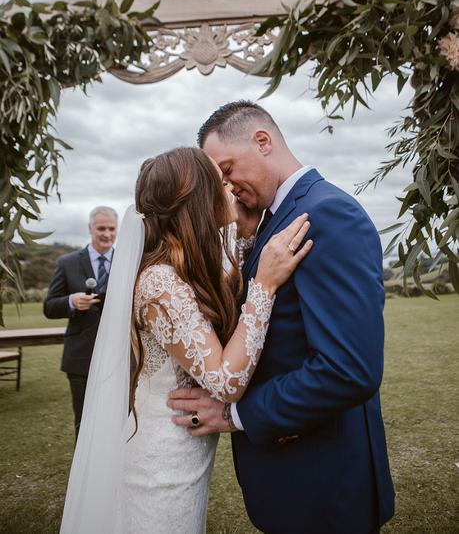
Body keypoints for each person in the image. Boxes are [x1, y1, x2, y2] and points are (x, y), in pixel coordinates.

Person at [167, 101, 395, 534]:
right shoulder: (272, 220)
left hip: (323, 481)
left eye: (228, 168)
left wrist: (235, 415)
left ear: (263, 141)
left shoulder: (327, 214)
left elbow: (347, 370)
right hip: (293, 477)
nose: (226, 187)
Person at [59, 147, 312, 534]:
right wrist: (265, 283)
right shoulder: (159, 284)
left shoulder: (184, 268)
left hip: (185, 448)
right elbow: (226, 381)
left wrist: (245, 241)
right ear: (199, 201)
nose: (229, 187)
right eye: (219, 181)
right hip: (162, 462)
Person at [44, 206, 118, 438]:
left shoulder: (128, 262)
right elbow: (49, 307)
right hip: (80, 358)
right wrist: (71, 302)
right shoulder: (67, 262)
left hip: (119, 357)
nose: (106, 234)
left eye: (111, 228)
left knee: (118, 420)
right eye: (101, 228)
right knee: (84, 422)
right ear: (90, 229)